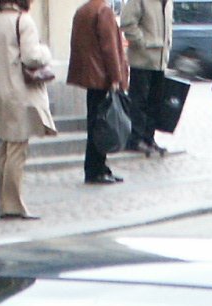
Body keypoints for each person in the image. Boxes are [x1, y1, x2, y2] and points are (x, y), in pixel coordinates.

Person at [0, 0, 58, 220]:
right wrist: (46, 51)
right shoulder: (23, 21)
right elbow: (32, 57)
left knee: (5, 149)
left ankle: (4, 202)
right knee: (17, 149)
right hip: (18, 93)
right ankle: (13, 205)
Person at [69, 0, 130, 184]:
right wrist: (115, 77)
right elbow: (109, 48)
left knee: (95, 123)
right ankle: (96, 169)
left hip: (89, 75)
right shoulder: (103, 11)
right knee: (102, 124)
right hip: (102, 77)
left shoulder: (83, 10)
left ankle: (98, 167)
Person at [120, 0, 173, 155]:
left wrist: (167, 46)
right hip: (142, 60)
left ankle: (149, 138)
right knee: (139, 100)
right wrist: (141, 43)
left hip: (160, 61)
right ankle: (135, 139)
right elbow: (127, 23)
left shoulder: (168, 2)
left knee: (155, 102)